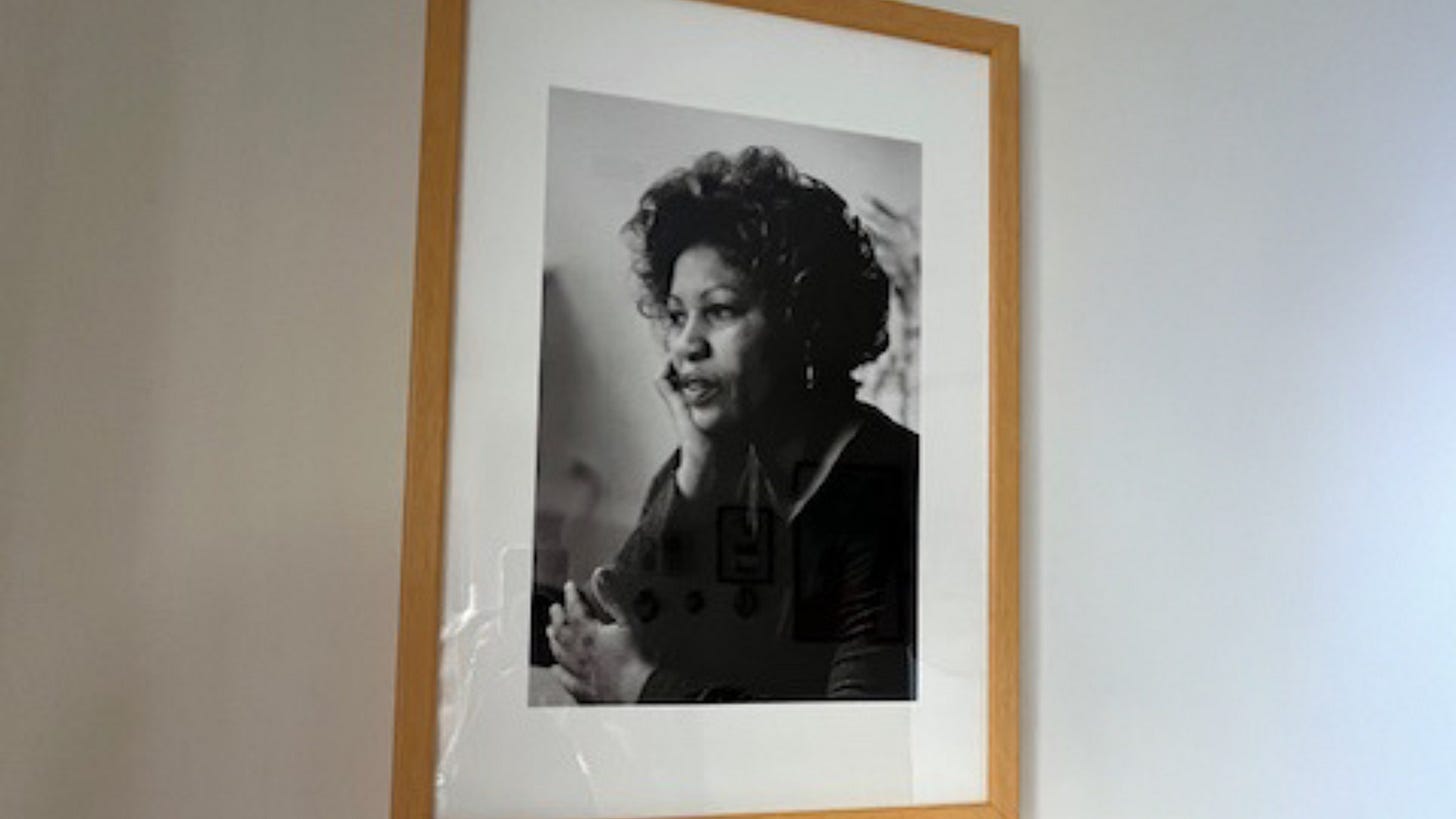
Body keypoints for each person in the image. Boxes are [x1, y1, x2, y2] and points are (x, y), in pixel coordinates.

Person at [546, 147, 917, 703]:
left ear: (803, 321)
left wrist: (637, 685)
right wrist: (694, 473)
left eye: (719, 310)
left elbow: (853, 740)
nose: (684, 345)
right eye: (675, 315)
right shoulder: (714, 456)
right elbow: (617, 622)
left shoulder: (886, 480)